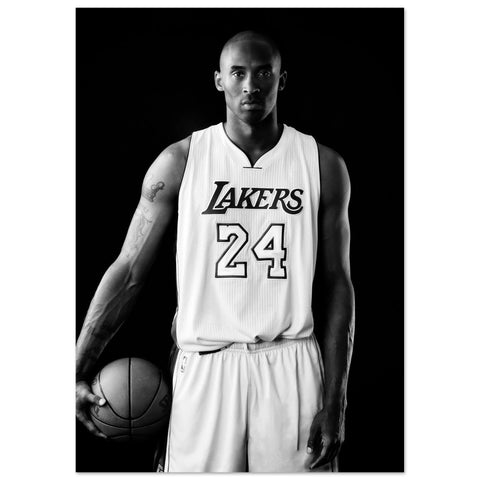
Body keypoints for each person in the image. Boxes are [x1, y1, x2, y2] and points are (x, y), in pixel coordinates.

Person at [76, 30, 355, 473]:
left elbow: (338, 283)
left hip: (292, 363)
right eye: (238, 73)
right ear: (219, 80)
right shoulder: (181, 161)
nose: (251, 85)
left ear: (282, 80)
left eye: (263, 73)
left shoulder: (322, 164)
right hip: (206, 364)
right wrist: (76, 366)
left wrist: (337, 399)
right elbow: (128, 271)